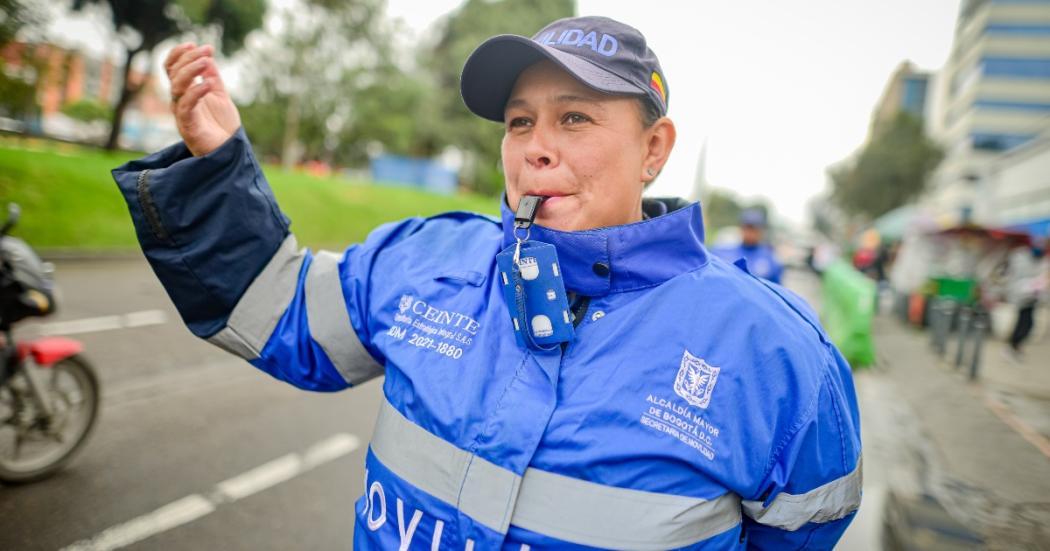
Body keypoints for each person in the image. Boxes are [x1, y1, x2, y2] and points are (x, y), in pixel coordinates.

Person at [112, 16, 861, 550]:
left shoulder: (775, 352)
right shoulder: (426, 260)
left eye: (574, 119)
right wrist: (218, 166)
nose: (536, 150)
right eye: (518, 122)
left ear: (654, 149)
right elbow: (275, 309)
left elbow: (804, 530)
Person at [710, 209, 784, 284]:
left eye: (754, 228)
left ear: (761, 230)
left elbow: (777, 289)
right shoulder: (725, 253)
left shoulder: (769, 258)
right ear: (741, 228)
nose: (750, 232)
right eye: (748, 227)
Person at [1004, 238, 1049, 360]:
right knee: (1023, 323)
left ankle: (1015, 347)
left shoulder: (1042, 260)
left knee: (1028, 324)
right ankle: (1012, 347)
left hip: (1033, 297)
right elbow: (1016, 277)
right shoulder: (1021, 257)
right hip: (1022, 296)